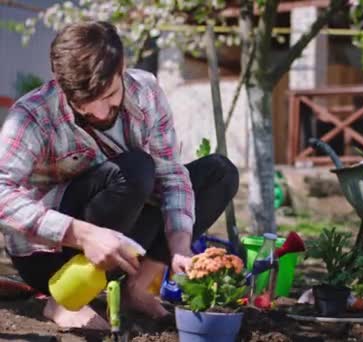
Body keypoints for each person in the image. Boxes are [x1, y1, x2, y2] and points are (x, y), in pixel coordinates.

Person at [0, 21, 239, 329]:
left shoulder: (147, 92)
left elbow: (170, 175)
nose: (100, 113)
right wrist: (83, 234)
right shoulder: (32, 115)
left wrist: (180, 245)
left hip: (119, 247)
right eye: (84, 106)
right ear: (60, 83)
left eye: (110, 95)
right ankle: (67, 299)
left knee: (219, 173)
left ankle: (137, 288)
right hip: (49, 256)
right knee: (135, 169)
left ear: (122, 67)